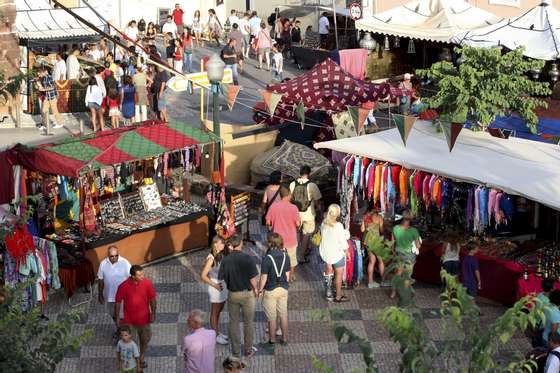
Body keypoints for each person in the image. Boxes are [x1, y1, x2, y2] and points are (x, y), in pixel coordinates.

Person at [218, 234, 259, 358]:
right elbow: (253, 279)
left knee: (234, 322)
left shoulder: (225, 260)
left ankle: (235, 351)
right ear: (240, 243)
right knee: (248, 323)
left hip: (233, 295)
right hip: (247, 295)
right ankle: (248, 350)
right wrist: (256, 290)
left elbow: (221, 279)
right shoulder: (248, 258)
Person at [115, 264, 157, 370]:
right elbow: (118, 302)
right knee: (130, 343)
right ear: (133, 276)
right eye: (139, 275)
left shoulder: (147, 283)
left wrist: (153, 313)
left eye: (142, 274)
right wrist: (117, 318)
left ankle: (141, 357)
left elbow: (152, 299)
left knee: (145, 340)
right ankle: (135, 362)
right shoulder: (123, 286)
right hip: (129, 322)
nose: (142, 276)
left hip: (144, 320)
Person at [258, 232, 291, 345]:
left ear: (270, 243)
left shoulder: (267, 258)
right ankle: (285, 338)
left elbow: (263, 277)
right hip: (283, 288)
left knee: (272, 317)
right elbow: (287, 275)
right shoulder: (286, 256)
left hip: (270, 290)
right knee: (283, 314)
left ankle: (272, 339)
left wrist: (260, 290)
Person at [266, 186, 300, 282]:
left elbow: (268, 222)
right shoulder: (294, 208)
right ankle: (290, 277)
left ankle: (277, 276)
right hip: (291, 239)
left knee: (277, 259)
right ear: (289, 195)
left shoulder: (273, 206)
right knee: (292, 260)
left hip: (277, 240)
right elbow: (297, 224)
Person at [289, 165, 322, 264]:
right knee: (306, 234)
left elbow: (290, 199)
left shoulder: (292, 184)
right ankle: (302, 256)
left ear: (300, 172)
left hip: (295, 213)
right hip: (308, 214)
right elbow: (317, 201)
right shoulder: (312, 185)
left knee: (297, 233)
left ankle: (294, 253)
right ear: (309, 173)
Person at [200, 236, 229, 345]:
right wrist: (215, 285)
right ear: (215, 244)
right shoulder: (211, 258)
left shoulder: (221, 254)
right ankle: (215, 335)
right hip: (215, 286)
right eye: (221, 243)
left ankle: (216, 331)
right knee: (215, 311)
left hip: (223, 285)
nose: (223, 245)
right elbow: (203, 275)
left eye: (224, 243)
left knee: (220, 309)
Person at [319, 204, 350, 302]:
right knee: (338, 275)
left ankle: (328, 294)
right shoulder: (339, 226)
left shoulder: (323, 223)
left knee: (328, 272)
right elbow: (342, 241)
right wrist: (347, 252)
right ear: (337, 214)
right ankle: (338, 296)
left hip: (326, 253)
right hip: (337, 254)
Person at [97, 246, 131, 336]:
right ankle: (120, 329)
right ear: (108, 255)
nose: (114, 257)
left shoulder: (125, 263)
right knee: (113, 314)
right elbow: (100, 280)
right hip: (109, 296)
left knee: (122, 316)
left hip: (122, 297)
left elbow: (131, 279)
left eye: (116, 255)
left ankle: (123, 334)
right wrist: (100, 294)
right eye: (112, 256)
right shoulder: (103, 264)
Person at [391, 212, 421, 298]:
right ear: (410, 220)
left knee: (397, 274)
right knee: (407, 275)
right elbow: (418, 245)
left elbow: (392, 243)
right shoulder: (414, 231)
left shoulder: (395, 228)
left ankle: (393, 292)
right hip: (409, 255)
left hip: (398, 253)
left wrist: (393, 253)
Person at [361, 205, 387, 288]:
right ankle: (383, 281)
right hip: (376, 242)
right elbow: (381, 231)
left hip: (368, 242)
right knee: (381, 261)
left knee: (372, 261)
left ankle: (370, 282)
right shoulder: (379, 217)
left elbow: (362, 230)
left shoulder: (365, 217)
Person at [35, 66, 63, 132]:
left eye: (39, 74)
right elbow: (42, 87)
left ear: (42, 72)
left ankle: (60, 123)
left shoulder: (48, 77)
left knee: (54, 110)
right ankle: (44, 125)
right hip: (47, 97)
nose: (38, 75)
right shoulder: (44, 78)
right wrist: (38, 84)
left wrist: (43, 89)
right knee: (44, 110)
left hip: (52, 97)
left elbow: (52, 87)